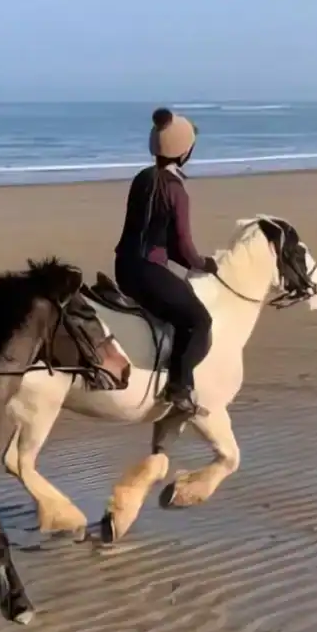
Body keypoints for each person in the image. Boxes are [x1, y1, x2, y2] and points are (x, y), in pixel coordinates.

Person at [113, 108, 217, 416]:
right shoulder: (175, 190)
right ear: (185, 152)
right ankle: (179, 389)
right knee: (199, 321)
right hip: (149, 272)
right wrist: (202, 264)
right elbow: (181, 246)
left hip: (124, 266)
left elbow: (159, 239)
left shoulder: (142, 178)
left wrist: (184, 261)